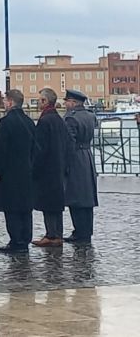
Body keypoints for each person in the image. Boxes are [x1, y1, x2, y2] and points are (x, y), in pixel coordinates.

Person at [0, 89, 37, 254]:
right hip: (27, 170)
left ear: (10, 102)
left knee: (11, 208)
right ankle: (25, 239)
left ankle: (16, 240)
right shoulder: (29, 122)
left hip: (10, 172)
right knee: (25, 207)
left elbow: (1, 149)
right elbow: (35, 148)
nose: (3, 103)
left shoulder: (6, 122)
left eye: (5, 101)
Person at [31, 88, 68, 247]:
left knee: (48, 203)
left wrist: (35, 168)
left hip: (47, 168)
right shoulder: (59, 119)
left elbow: (40, 148)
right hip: (58, 166)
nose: (38, 102)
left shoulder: (45, 121)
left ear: (45, 101)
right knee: (56, 203)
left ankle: (51, 234)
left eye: (39, 100)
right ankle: (57, 233)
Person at [63, 89, 98, 244]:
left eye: (67, 101)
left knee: (75, 196)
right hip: (87, 156)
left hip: (75, 157)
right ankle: (86, 230)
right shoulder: (90, 115)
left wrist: (64, 163)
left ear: (74, 103)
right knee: (87, 196)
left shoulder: (71, 118)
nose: (65, 104)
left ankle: (79, 231)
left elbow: (69, 142)